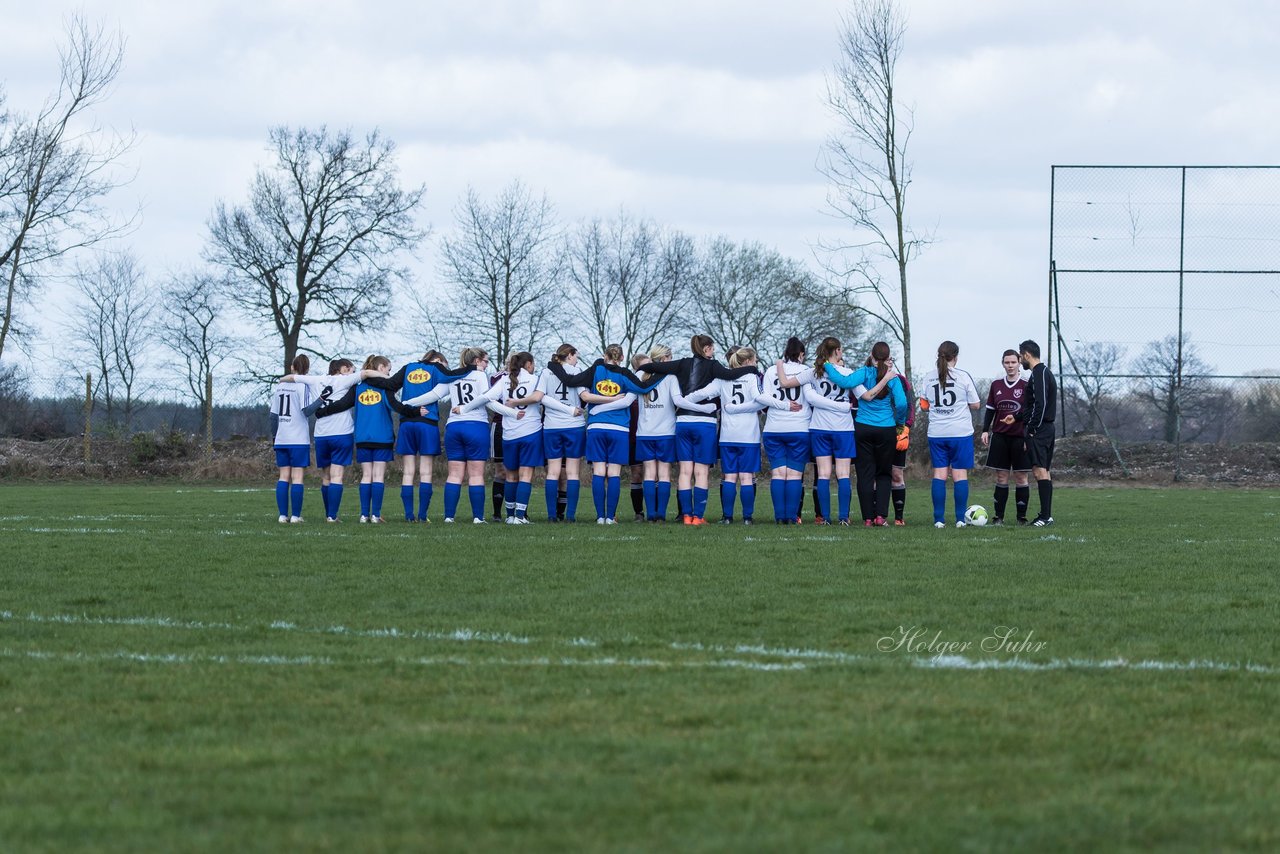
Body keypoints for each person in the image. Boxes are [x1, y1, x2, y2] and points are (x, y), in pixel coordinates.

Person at [579, 335, 757, 525]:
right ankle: (678, 516)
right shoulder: (679, 374)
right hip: (677, 429)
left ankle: (664, 515)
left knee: (659, 473)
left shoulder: (644, 374)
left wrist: (598, 408)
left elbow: (629, 397)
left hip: (652, 431)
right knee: (681, 474)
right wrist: (706, 407)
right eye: (669, 357)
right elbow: (684, 398)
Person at [686, 347, 797, 524]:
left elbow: (701, 394)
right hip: (748, 436)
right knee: (746, 477)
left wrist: (683, 402)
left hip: (728, 436)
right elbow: (760, 399)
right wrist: (785, 405)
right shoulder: (751, 377)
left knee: (729, 477)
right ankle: (747, 518)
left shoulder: (722, 378)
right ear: (746, 361)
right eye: (754, 361)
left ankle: (728, 517)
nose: (755, 364)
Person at [362, 351, 471, 522]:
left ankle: (408, 516)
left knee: (408, 472)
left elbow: (390, 384)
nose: (445, 367)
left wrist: (368, 377)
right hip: (427, 423)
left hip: (406, 423)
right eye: (444, 363)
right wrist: (471, 367)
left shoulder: (408, 368)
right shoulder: (436, 368)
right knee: (426, 472)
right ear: (437, 360)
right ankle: (422, 516)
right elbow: (451, 375)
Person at [403, 348, 494, 523]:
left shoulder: (451, 376)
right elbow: (485, 398)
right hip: (476, 426)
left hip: (454, 426)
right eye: (485, 361)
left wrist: (407, 403)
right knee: (476, 475)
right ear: (476, 361)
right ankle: (478, 518)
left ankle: (449, 517)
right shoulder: (480, 375)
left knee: (454, 475)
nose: (486, 365)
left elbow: (432, 395)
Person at [826, 342, 908, 526]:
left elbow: (844, 381)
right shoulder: (892, 377)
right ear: (888, 358)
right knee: (884, 474)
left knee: (865, 474)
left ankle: (868, 519)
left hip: (863, 428)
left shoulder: (864, 372)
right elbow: (902, 404)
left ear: (871, 355)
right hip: (886, 428)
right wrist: (900, 423)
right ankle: (881, 516)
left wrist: (827, 366)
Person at [458, 351, 540, 523]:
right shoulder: (535, 379)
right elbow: (544, 399)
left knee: (510, 475)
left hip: (509, 434)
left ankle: (510, 516)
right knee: (525, 475)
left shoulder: (504, 380)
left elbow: (486, 398)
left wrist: (464, 408)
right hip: (530, 432)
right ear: (529, 364)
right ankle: (520, 516)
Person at [921, 341, 981, 528]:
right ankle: (960, 520)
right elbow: (976, 404)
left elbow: (924, 406)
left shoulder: (927, 377)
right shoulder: (963, 376)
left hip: (937, 432)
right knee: (959, 475)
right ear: (955, 357)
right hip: (960, 432)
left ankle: (939, 520)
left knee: (939, 474)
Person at [577, 344, 638, 524]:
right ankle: (610, 517)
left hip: (596, 426)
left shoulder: (595, 371)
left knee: (598, 471)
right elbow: (628, 400)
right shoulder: (626, 374)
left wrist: (597, 409)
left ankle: (600, 517)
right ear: (621, 357)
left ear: (605, 356)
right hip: (619, 428)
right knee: (614, 473)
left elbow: (585, 396)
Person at [761, 337, 816, 524]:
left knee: (778, 474)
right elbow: (812, 397)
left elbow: (764, 398)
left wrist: (783, 406)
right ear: (801, 354)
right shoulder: (807, 371)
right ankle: (792, 518)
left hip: (774, 428)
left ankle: (779, 518)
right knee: (794, 475)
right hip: (799, 428)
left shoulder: (771, 370)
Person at [807, 337, 857, 526]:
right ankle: (844, 517)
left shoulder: (814, 373)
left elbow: (792, 384)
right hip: (842, 428)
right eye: (841, 350)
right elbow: (863, 395)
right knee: (843, 474)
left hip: (819, 427)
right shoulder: (847, 372)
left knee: (823, 474)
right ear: (836, 351)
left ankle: (825, 518)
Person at [981, 349, 1032, 525]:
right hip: (1000, 437)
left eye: (1013, 362)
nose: (1010, 366)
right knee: (1001, 477)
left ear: (1019, 362)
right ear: (1002, 363)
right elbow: (990, 410)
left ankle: (1021, 517)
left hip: (1020, 437)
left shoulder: (1026, 384)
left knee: (1021, 477)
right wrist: (985, 430)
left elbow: (1030, 412)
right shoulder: (996, 384)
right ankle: (999, 517)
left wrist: (1029, 436)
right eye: (1006, 362)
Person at [536, 344, 586, 522]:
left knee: (553, 472)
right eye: (576, 355)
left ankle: (551, 516)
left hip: (551, 426)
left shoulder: (545, 372)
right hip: (574, 426)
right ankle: (570, 516)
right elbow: (584, 396)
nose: (577, 359)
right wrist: (571, 409)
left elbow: (541, 397)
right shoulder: (578, 370)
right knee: (572, 473)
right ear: (569, 355)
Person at [1011, 339, 1058, 526]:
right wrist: (1016, 417)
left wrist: (1032, 429)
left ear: (1027, 355)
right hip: (1044, 428)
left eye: (1020, 356)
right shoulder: (1040, 373)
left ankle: (1045, 517)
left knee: (1040, 471)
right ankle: (1046, 515)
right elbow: (1031, 407)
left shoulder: (1040, 373)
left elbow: (1041, 404)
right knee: (1044, 471)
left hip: (1041, 430)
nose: (1020, 359)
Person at [269, 354, 315, 523]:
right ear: (307, 370)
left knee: (283, 476)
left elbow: (273, 416)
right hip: (298, 439)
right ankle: (295, 516)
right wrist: (321, 399)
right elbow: (307, 411)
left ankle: (282, 515)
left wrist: (275, 436)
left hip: (282, 438)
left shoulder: (280, 386)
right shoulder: (303, 386)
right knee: (297, 478)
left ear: (292, 368)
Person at [889, 371, 916, 526]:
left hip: (898, 432)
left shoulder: (901, 380)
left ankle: (899, 517)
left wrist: (906, 427)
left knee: (897, 474)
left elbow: (910, 405)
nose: (889, 362)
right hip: (878, 430)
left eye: (890, 359)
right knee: (876, 475)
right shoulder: (870, 376)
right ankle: (875, 517)